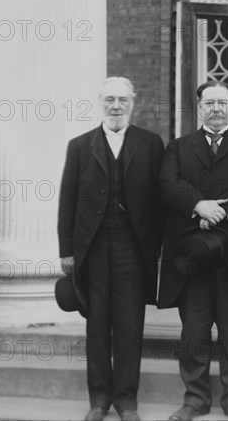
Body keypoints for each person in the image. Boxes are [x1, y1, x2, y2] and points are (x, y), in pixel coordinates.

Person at [57, 77, 165, 421]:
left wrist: (158, 246)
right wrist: (67, 251)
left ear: (133, 102)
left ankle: (127, 400)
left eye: (122, 99)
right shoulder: (79, 145)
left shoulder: (150, 144)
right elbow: (67, 200)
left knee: (131, 324)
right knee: (97, 324)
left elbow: (159, 200)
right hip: (93, 248)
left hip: (133, 248)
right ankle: (99, 399)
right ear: (99, 103)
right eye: (109, 100)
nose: (115, 105)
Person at [158, 81, 228, 421]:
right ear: (198, 107)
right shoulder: (178, 147)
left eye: (222, 102)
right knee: (193, 332)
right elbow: (167, 184)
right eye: (209, 103)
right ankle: (195, 399)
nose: (216, 108)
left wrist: (221, 210)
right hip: (192, 257)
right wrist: (198, 205)